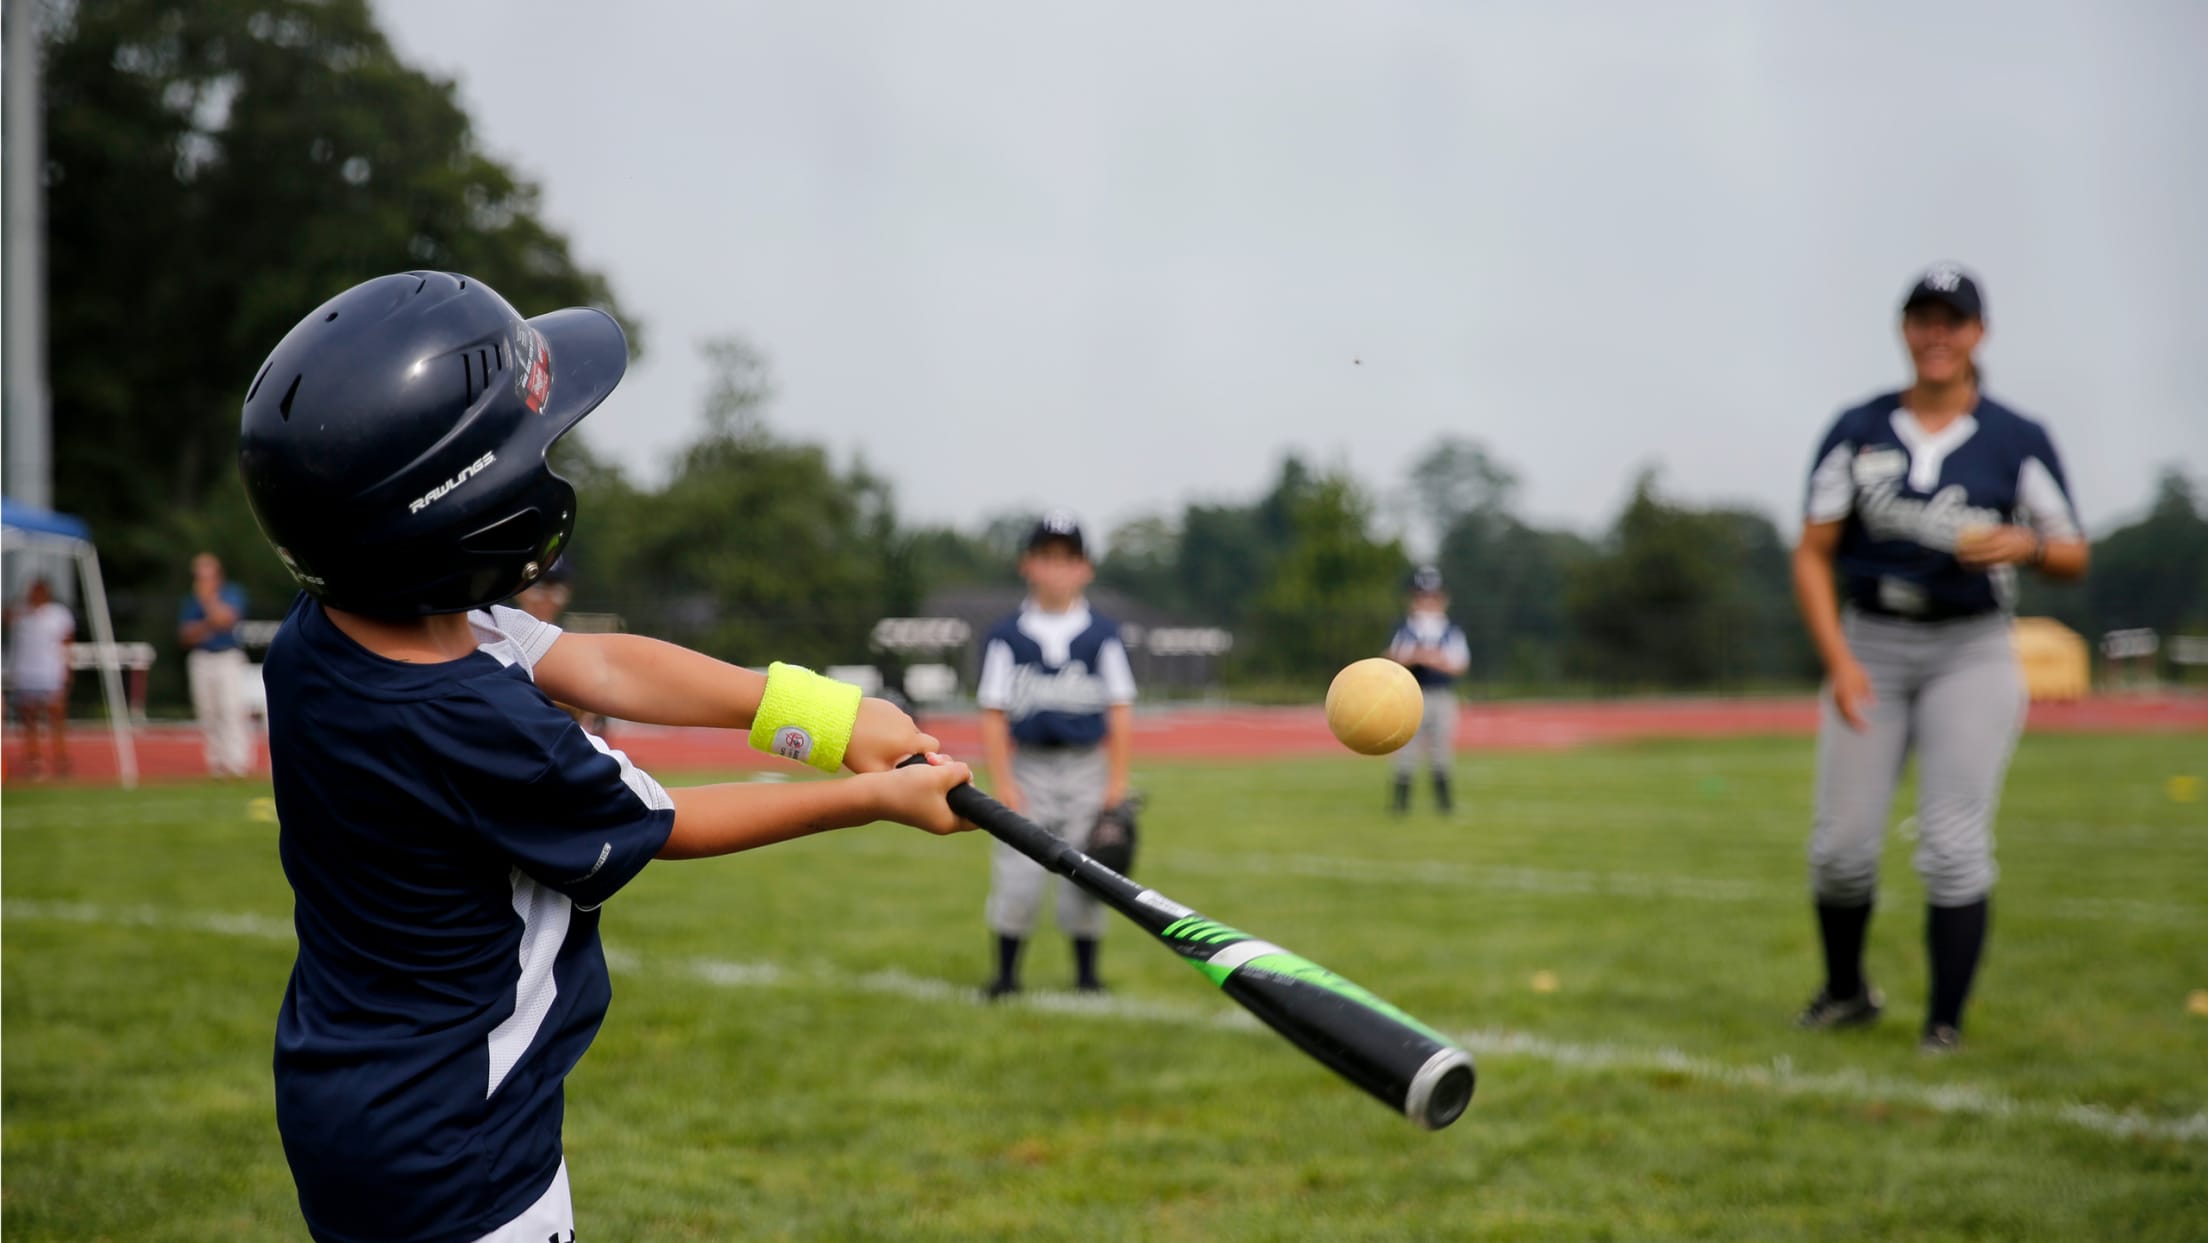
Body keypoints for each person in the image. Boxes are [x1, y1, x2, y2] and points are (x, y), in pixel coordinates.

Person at [236, 270, 973, 1243]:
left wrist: (826, 719)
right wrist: (873, 798)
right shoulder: (475, 719)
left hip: (362, 1106)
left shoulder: (331, 631)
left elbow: (601, 665)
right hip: (462, 1152)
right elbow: (665, 821)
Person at [1791, 263, 2087, 1055]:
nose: (1937, 334)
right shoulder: (1857, 428)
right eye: (1924, 318)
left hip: (1972, 646)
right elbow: (1813, 552)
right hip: (1873, 641)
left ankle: (1943, 1024)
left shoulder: (2014, 437)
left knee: (1954, 842)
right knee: (1843, 847)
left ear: (1977, 333)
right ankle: (1847, 990)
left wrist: (2026, 543)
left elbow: (2071, 551)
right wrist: (1840, 660)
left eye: (1953, 320)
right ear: (1904, 329)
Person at [974, 511, 1136, 998]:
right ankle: (1005, 977)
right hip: (1029, 767)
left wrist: (1116, 784)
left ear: (1085, 568)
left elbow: (1120, 709)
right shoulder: (1008, 637)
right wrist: (1003, 782)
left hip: (1087, 765)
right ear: (1028, 564)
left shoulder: (1101, 635)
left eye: (1068, 559)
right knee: (1018, 873)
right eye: (1046, 558)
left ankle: (1087, 978)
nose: (1057, 570)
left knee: (1089, 872)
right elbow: (992, 712)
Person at [1386, 565, 1470, 815]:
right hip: (1410, 695)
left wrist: (1434, 659)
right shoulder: (1405, 628)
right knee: (1405, 750)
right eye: (1422, 596)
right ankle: (1400, 804)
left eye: (1432, 596)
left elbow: (1460, 664)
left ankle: (1444, 803)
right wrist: (1416, 656)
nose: (1427, 602)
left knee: (1440, 749)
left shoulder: (1451, 629)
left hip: (1440, 695)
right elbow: (1391, 658)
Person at [178, 552, 254, 777]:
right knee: (208, 712)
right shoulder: (190, 600)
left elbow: (226, 619)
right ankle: (217, 764)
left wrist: (208, 602)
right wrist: (210, 623)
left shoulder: (232, 592)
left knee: (231, 710)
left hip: (227, 656)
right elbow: (185, 636)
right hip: (202, 658)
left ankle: (238, 763)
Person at [6, 577, 75, 778]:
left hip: (50, 673)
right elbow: (6, 619)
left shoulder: (59, 614)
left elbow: (67, 643)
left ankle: (61, 758)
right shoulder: (20, 612)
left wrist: (67, 670)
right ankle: (34, 759)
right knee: (29, 720)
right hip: (25, 674)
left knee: (56, 718)